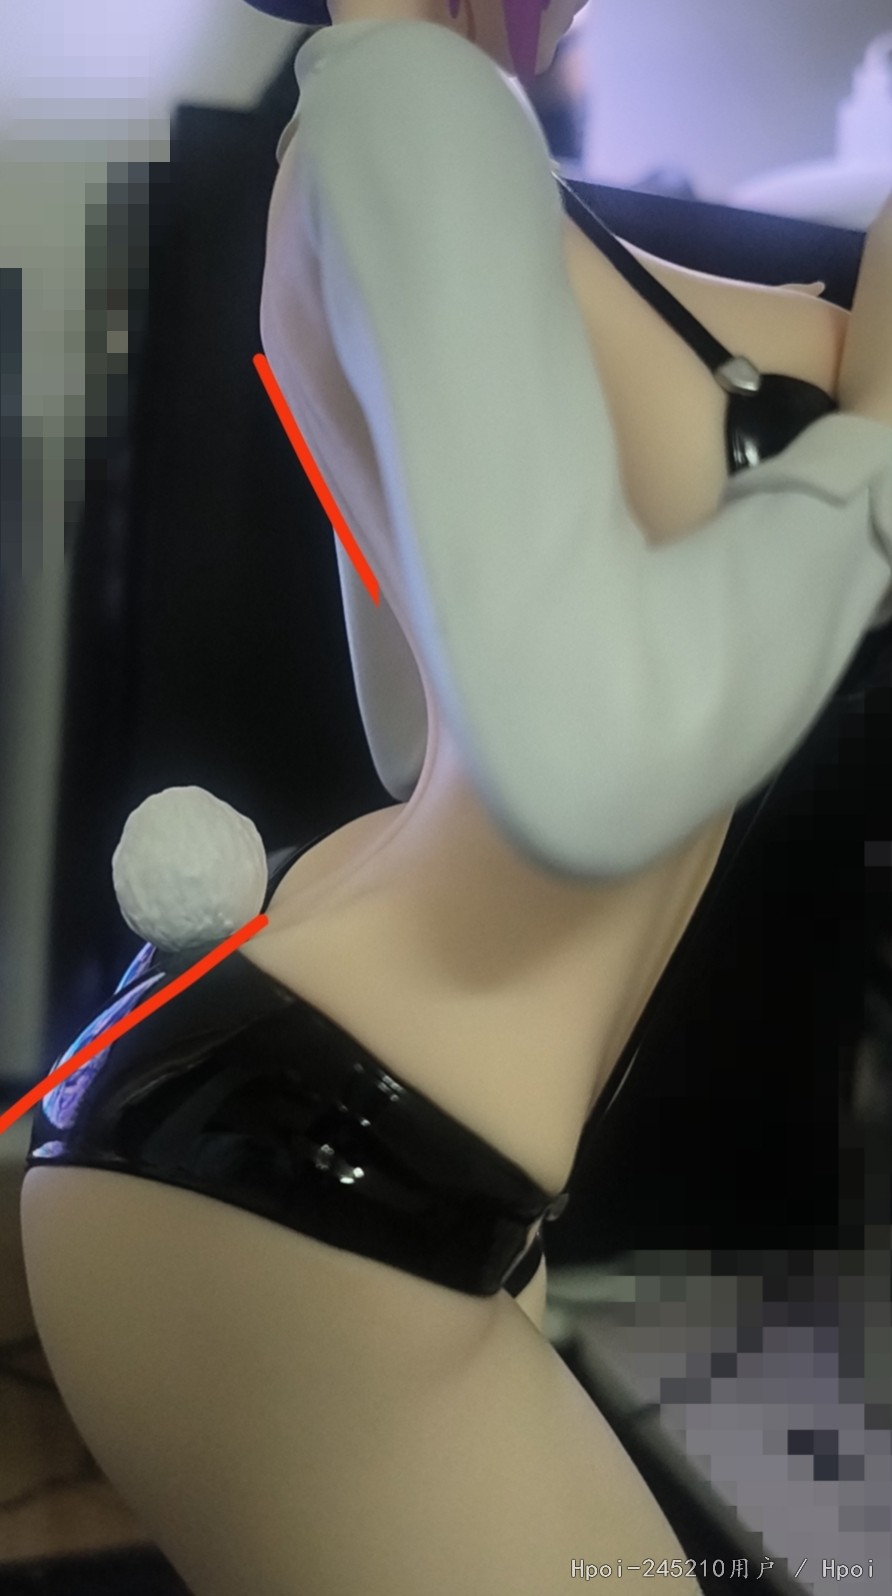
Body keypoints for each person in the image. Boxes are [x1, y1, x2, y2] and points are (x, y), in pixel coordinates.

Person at [20, 0, 892, 1590]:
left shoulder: (355, 134)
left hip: (299, 1129)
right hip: (335, 1169)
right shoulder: (420, 111)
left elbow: (414, 723)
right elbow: (576, 764)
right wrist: (868, 462)